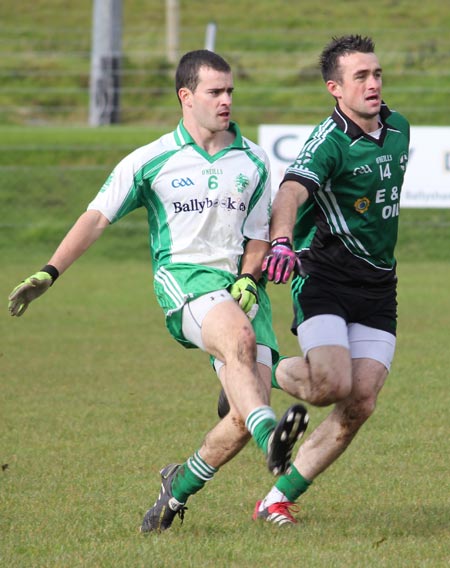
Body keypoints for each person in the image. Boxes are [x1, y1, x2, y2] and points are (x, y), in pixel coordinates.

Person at [7, 49, 308, 532]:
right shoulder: (150, 160)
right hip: (185, 281)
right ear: (185, 97)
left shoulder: (252, 160)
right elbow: (96, 217)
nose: (226, 100)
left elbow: (256, 236)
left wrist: (251, 277)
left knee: (237, 415)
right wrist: (49, 271)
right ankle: (272, 436)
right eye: (215, 92)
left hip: (241, 290)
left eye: (230, 90)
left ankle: (179, 485)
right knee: (242, 352)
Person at [254, 34, 410, 525]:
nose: (373, 84)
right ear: (334, 89)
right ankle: (270, 368)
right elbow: (291, 192)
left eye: (377, 74)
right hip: (324, 275)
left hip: (379, 284)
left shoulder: (399, 127)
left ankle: (275, 498)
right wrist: (281, 242)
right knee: (328, 386)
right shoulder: (330, 142)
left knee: (361, 400)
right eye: (360, 77)